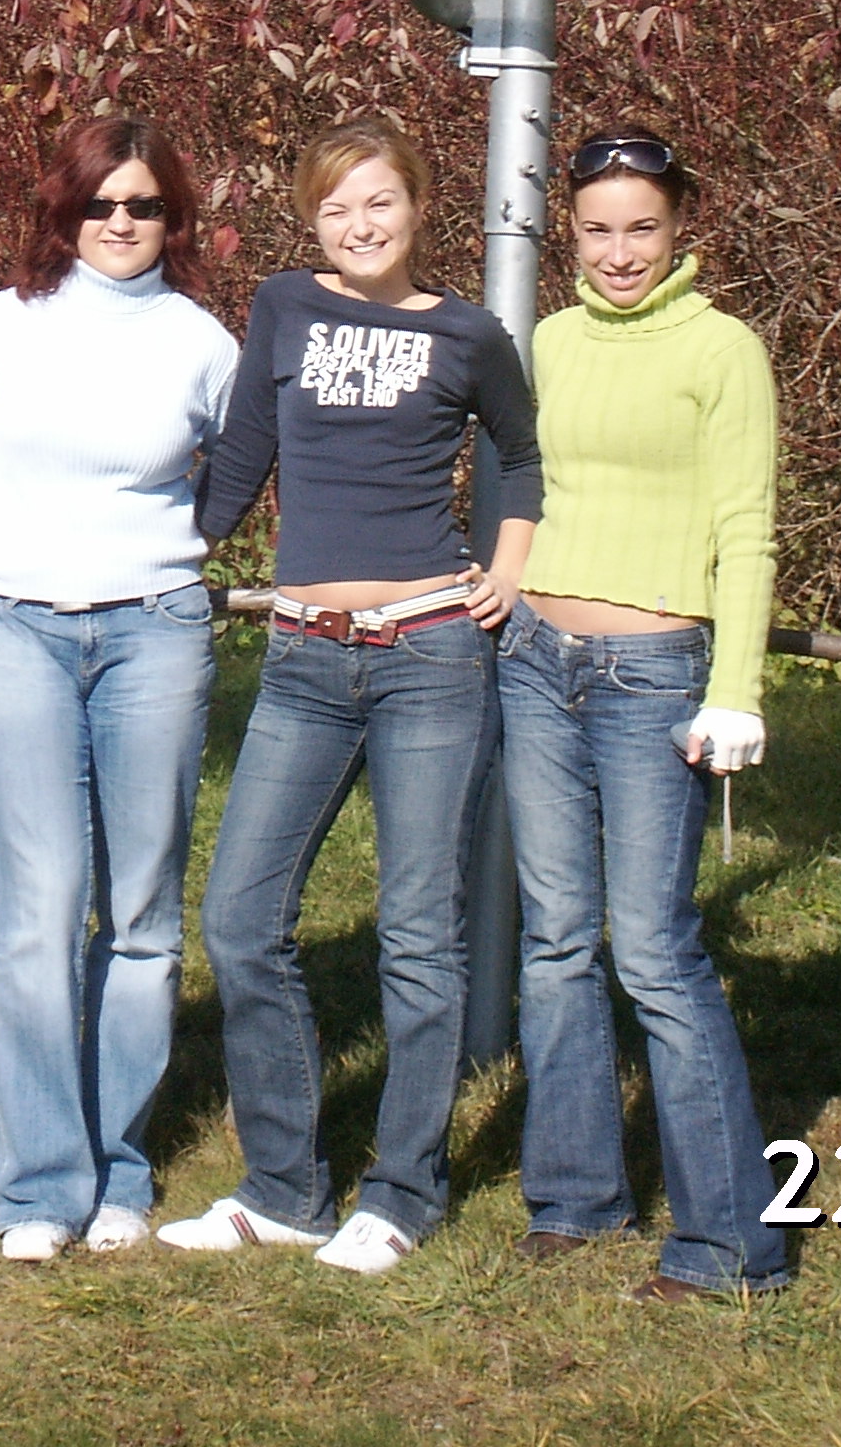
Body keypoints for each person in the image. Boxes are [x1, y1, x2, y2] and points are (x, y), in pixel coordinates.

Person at [159, 116, 541, 1275]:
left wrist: (510, 569)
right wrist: (163, 554)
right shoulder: (284, 307)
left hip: (430, 656)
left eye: (379, 201)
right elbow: (241, 458)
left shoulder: (470, 335)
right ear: (311, 221)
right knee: (239, 920)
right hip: (304, 662)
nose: (359, 224)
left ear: (417, 206)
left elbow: (522, 458)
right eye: (335, 207)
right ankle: (284, 1189)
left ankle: (405, 1193)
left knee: (419, 940)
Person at [0, 115, 241, 1264]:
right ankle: (41, 1188)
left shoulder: (202, 342)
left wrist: (185, 551)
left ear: (172, 217)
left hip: (155, 633)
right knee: (39, 913)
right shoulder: (4, 324)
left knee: (141, 917)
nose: (120, 222)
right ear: (66, 213)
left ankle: (122, 1171)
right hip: (13, 629)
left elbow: (250, 465)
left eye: (143, 205)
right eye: (100, 204)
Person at [502, 126, 789, 1301]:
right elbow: (526, 489)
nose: (620, 253)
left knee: (658, 953)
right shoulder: (548, 343)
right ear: (568, 233)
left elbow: (747, 532)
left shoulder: (723, 351)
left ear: (680, 229)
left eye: (643, 229)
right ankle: (576, 1197)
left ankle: (730, 1245)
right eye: (598, 230)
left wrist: (735, 688)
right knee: (556, 942)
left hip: (653, 675)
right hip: (535, 662)